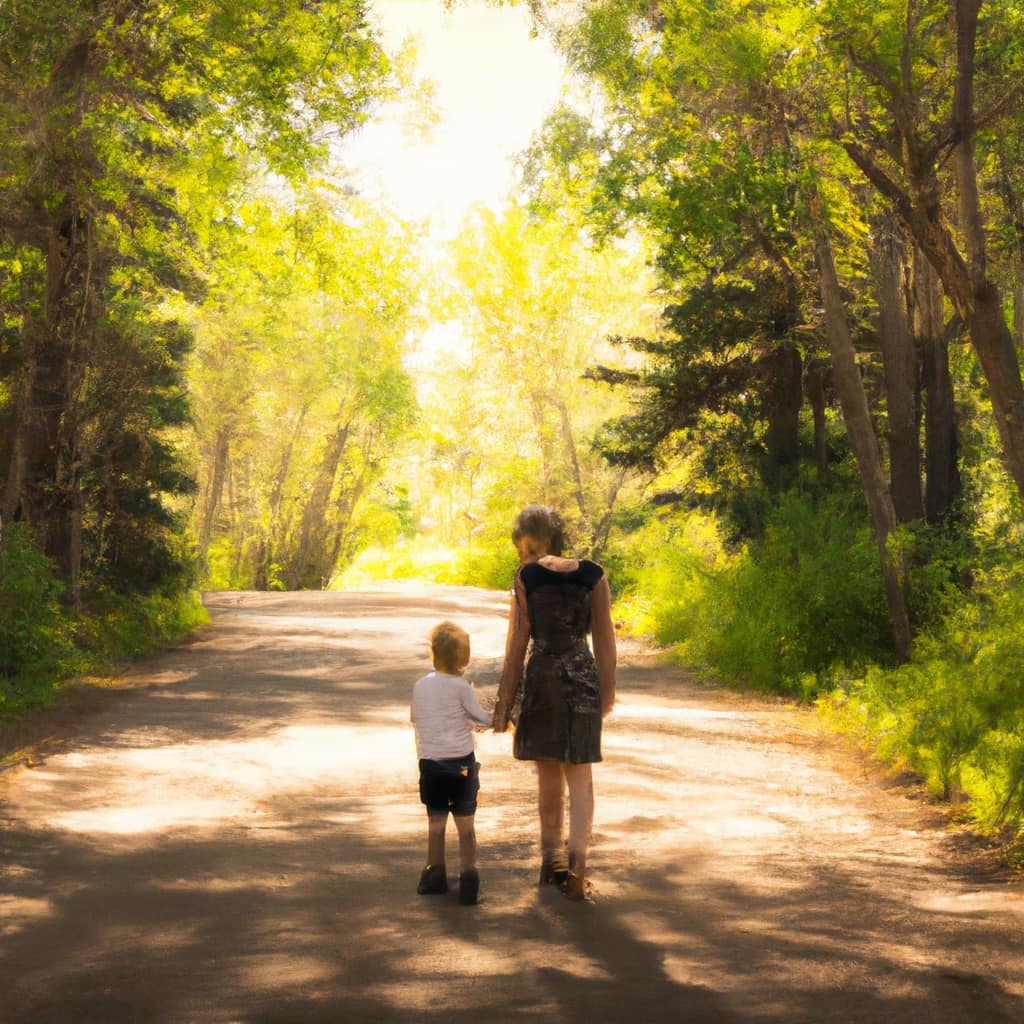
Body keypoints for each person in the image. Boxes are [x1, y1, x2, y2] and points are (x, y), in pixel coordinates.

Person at [493, 505, 616, 901]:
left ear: (531, 544)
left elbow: (517, 643)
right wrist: (607, 693)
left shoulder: (526, 577)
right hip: (583, 678)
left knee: (549, 777)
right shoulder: (593, 574)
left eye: (522, 548)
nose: (523, 556)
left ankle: (552, 860)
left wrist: (504, 703)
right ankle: (578, 865)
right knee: (581, 778)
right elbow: (605, 641)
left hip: (544, 678)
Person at [411, 620, 493, 905]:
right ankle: (469, 878)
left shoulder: (421, 685)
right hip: (461, 763)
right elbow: (481, 718)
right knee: (465, 823)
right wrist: (496, 717)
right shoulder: (461, 687)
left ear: (433, 654)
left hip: (431, 764)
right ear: (464, 658)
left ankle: (435, 875)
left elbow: (416, 718)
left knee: (436, 821)